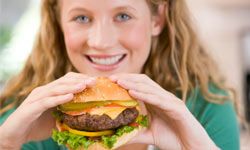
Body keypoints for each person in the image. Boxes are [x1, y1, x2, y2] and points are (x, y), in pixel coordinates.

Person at [0, 0, 240, 149]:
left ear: (158, 19)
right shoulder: (31, 115)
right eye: (81, 18)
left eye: (123, 16)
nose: (102, 42)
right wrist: (7, 144)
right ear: (59, 23)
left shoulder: (206, 106)